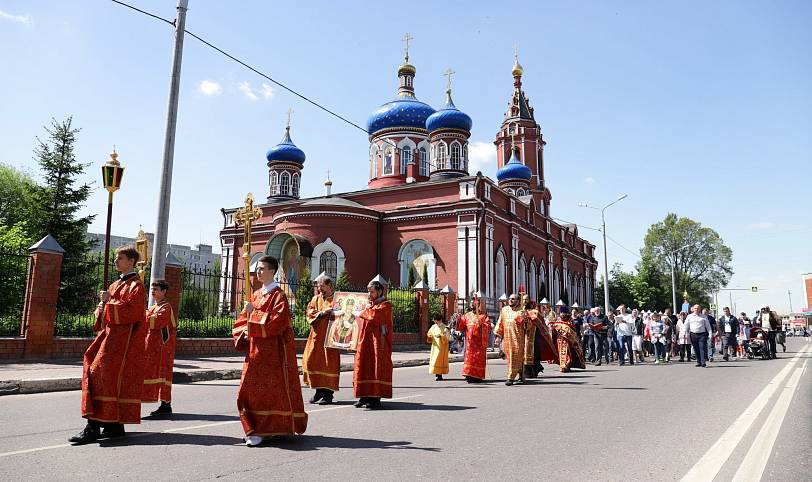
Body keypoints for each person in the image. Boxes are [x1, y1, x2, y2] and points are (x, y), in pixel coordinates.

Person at [69, 246, 147, 445]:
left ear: (131, 261)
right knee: (102, 377)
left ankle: (93, 427)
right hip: (108, 339)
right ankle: (114, 425)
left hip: (122, 345)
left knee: (97, 376)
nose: (115, 261)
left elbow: (134, 313)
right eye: (115, 258)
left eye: (119, 258)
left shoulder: (136, 286)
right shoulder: (113, 285)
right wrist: (101, 307)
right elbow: (103, 313)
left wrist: (109, 303)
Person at [232, 256, 307, 446]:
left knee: (267, 393)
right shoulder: (256, 294)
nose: (258, 272)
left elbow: (277, 323)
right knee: (246, 392)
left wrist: (253, 316)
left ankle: (263, 431)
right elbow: (242, 320)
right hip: (254, 353)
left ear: (272, 271)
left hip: (272, 355)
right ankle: (253, 428)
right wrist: (244, 331)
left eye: (262, 268)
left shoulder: (279, 296)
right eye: (257, 268)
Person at [352, 277, 394, 409]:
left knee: (376, 367)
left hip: (378, 343)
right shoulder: (368, 305)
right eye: (368, 292)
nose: (369, 295)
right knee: (363, 366)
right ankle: (363, 396)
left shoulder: (385, 305)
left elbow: (375, 316)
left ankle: (375, 399)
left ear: (380, 292)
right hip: (365, 342)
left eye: (372, 292)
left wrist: (361, 312)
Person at [302, 272, 341, 405]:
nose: (320, 289)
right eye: (319, 286)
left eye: (322, 286)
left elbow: (345, 316)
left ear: (330, 285)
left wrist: (335, 313)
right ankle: (318, 391)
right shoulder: (315, 299)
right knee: (313, 361)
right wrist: (322, 313)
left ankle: (328, 395)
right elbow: (309, 312)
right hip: (316, 337)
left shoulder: (338, 299)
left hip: (331, 338)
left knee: (328, 365)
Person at [141, 279, 176, 417]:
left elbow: (155, 322)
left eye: (156, 289)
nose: (153, 292)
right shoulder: (153, 307)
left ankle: (166, 404)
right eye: (152, 289)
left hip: (162, 349)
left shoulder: (165, 307)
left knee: (162, 375)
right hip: (151, 347)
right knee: (149, 373)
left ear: (164, 291)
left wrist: (143, 314)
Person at [457, 293, 491, 383]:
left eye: (474, 303)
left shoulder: (483, 316)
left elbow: (488, 327)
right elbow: (461, 327)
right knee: (470, 359)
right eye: (472, 304)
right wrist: (459, 319)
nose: (473, 305)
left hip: (479, 344)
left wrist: (482, 325)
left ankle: (478, 377)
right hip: (470, 343)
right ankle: (469, 375)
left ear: (478, 304)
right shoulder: (466, 315)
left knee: (478, 360)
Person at [494, 293, 525, 385]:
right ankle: (521, 374)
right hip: (507, 339)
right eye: (510, 298)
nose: (510, 300)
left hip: (518, 339)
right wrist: (498, 337)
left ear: (518, 301)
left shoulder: (521, 311)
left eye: (513, 299)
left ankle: (510, 377)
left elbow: (528, 327)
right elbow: (500, 323)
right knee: (511, 358)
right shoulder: (504, 310)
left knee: (515, 357)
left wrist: (525, 318)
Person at [521, 298, 556, 378]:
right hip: (522, 336)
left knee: (534, 354)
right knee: (522, 354)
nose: (524, 301)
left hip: (534, 336)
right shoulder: (518, 311)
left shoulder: (535, 312)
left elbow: (541, 323)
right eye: (523, 299)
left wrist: (529, 318)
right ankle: (523, 372)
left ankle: (533, 370)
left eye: (526, 299)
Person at [427, 313, 450, 381]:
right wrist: (430, 336)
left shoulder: (445, 327)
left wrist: (441, 336)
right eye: (435, 321)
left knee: (439, 360)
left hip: (442, 347)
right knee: (434, 360)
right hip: (435, 346)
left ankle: (439, 375)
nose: (435, 323)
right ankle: (436, 374)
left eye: (436, 321)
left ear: (440, 320)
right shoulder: (433, 327)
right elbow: (429, 333)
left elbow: (447, 337)